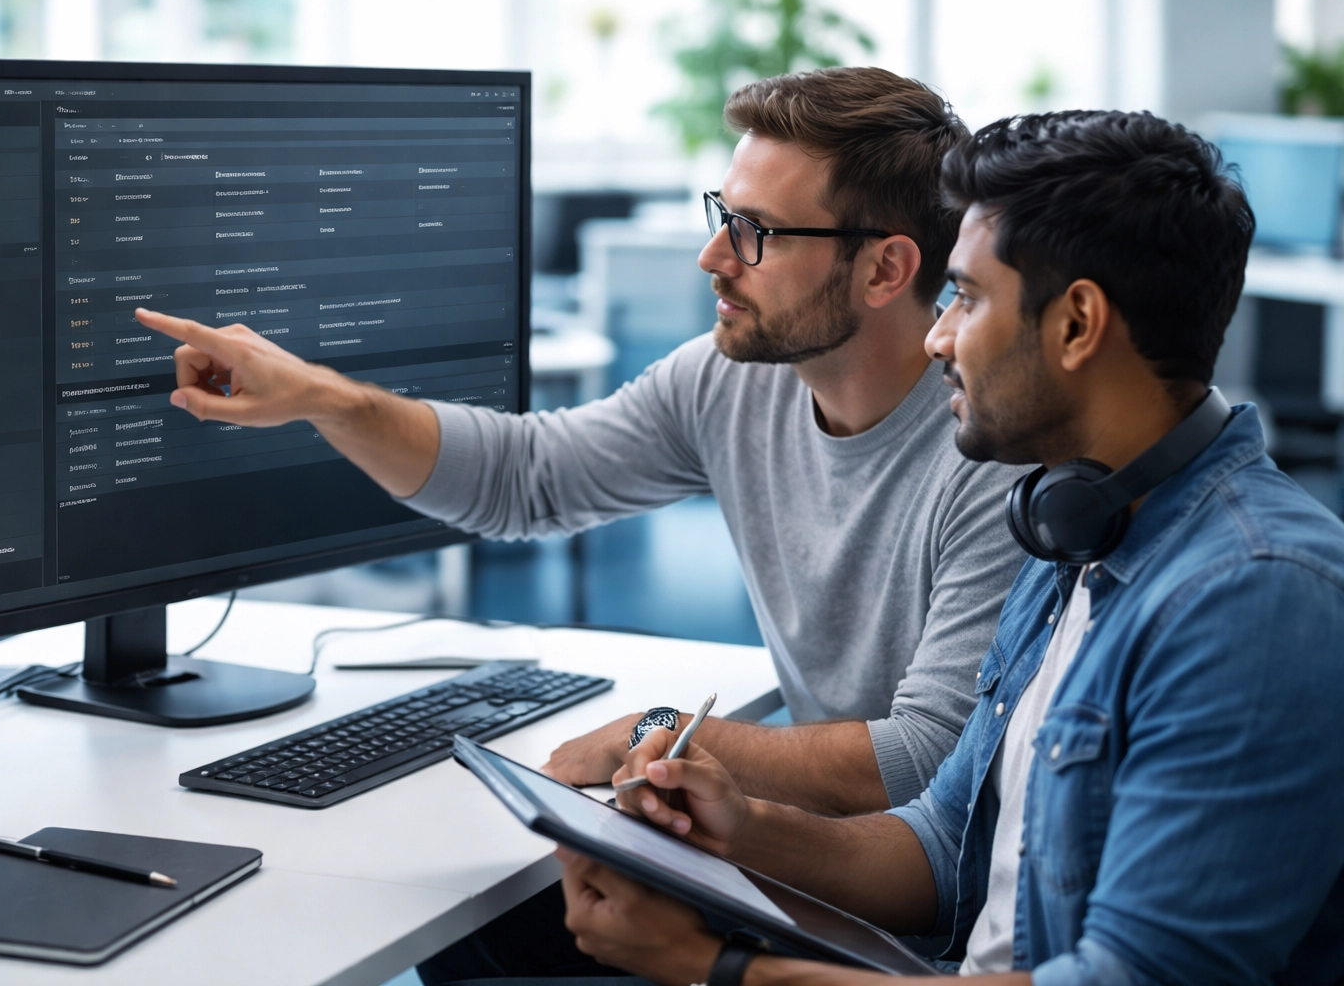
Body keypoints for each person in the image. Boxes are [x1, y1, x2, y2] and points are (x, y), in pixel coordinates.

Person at [552, 110, 1344, 985]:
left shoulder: (1255, 598)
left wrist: (719, 969)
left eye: (964, 297)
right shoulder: (1074, 528)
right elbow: (944, 849)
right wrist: (740, 825)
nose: (936, 337)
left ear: (1077, 324)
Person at [137, 66, 1027, 821]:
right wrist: (318, 399)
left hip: (916, 906)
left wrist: (666, 735)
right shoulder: (727, 381)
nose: (713, 255)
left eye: (755, 232)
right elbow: (526, 479)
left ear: (884, 269)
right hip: (808, 844)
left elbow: (929, 758)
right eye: (723, 212)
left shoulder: (993, 447)